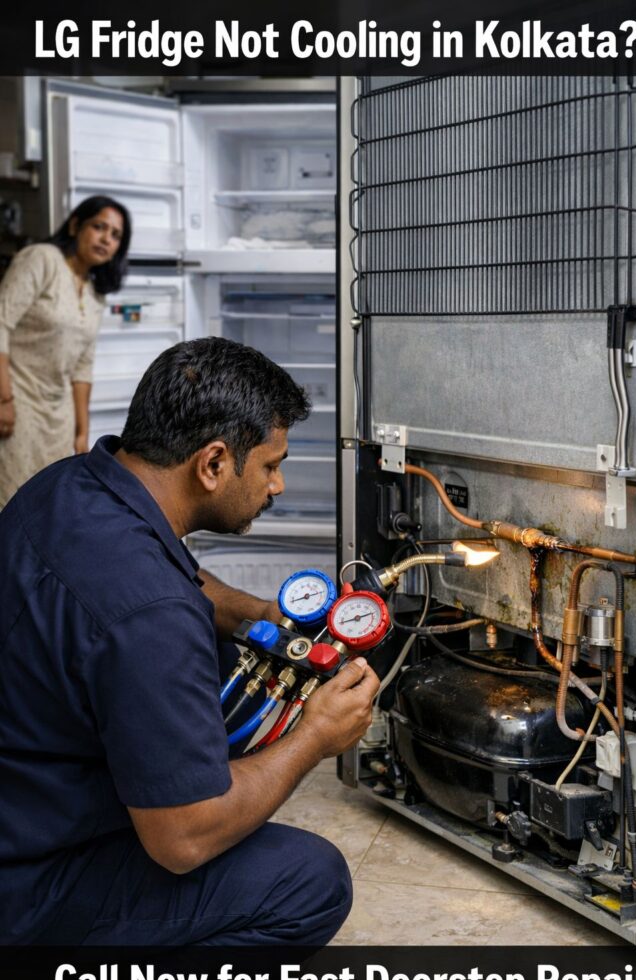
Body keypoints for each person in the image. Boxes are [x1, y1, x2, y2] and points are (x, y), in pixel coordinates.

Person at [0, 336, 379, 946]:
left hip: (23, 791)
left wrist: (255, 613)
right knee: (309, 880)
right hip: (28, 885)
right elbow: (184, 841)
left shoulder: (68, 485)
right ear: (213, 463)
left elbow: (172, 570)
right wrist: (316, 737)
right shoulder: (152, 615)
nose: (277, 486)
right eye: (270, 465)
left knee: (225, 657)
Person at [0, 195, 131, 509]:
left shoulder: (94, 293)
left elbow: (82, 368)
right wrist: (4, 400)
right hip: (18, 404)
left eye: (115, 235)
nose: (106, 239)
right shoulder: (41, 259)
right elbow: (0, 322)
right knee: (11, 504)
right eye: (99, 227)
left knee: (48, 507)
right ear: (75, 225)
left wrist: (81, 433)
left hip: (58, 417)